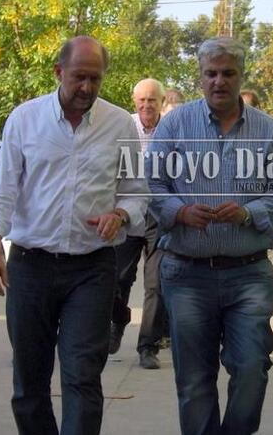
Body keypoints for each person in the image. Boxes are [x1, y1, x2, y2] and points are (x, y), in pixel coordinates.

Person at [0, 35, 150, 435]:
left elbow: (137, 191)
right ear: (58, 73)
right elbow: (1, 190)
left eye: (95, 79)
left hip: (91, 269)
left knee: (83, 375)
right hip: (31, 267)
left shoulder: (120, 124)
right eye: (78, 78)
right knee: (30, 380)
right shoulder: (25, 119)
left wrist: (120, 214)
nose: (86, 88)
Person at [147, 37, 273, 435]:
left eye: (228, 73)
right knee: (194, 382)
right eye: (211, 73)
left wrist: (250, 212)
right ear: (200, 78)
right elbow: (151, 185)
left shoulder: (266, 129)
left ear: (240, 76)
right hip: (187, 274)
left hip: (248, 275)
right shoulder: (175, 125)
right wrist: (179, 211)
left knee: (252, 369)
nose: (219, 81)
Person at [109, 78, 168, 370]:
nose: (147, 105)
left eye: (152, 100)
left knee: (155, 283)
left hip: (158, 216)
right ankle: (118, 320)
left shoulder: (171, 129)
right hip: (127, 212)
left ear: (162, 102)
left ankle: (148, 346)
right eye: (142, 100)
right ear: (135, 101)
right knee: (117, 277)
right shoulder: (123, 126)